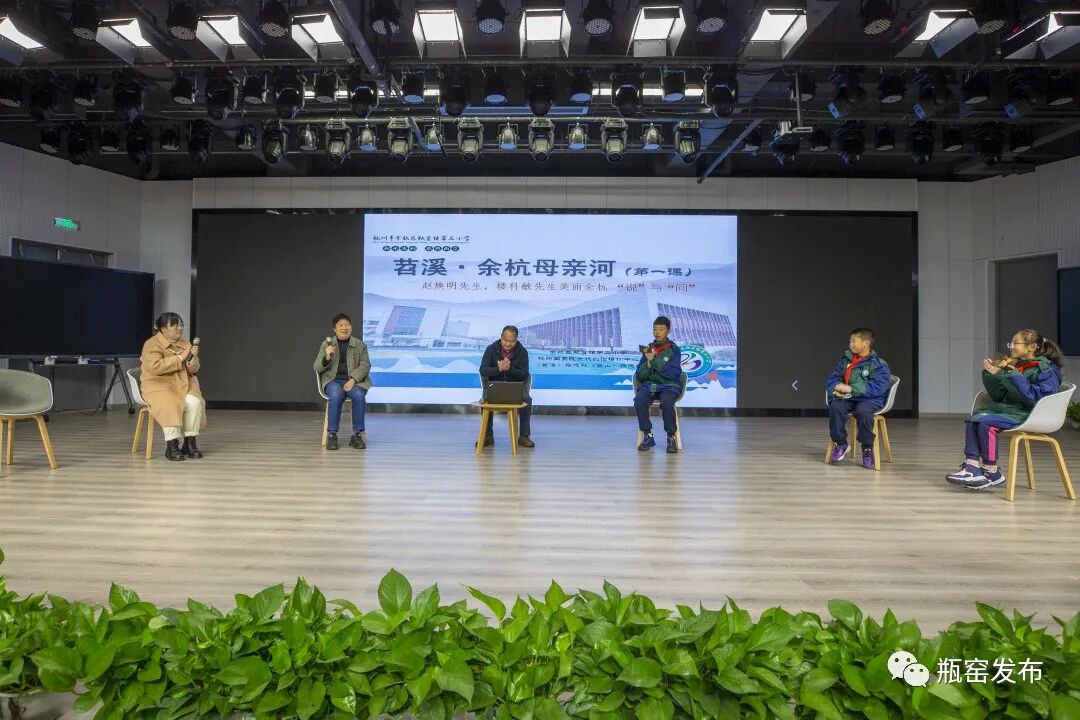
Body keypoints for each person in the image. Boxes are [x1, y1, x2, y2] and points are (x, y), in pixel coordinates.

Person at [946, 329, 1065, 490]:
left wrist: (1015, 376)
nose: (1011, 347)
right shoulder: (1017, 367)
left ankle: (990, 470)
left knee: (986, 423)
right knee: (975, 418)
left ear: (1031, 347)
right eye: (1011, 343)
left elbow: (1039, 398)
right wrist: (995, 376)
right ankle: (972, 466)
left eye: (1016, 343)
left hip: (1030, 413)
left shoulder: (1046, 369)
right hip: (1011, 410)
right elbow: (999, 396)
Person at [140, 312, 206, 462]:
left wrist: (192, 360)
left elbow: (193, 371)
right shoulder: (151, 344)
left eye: (181, 324)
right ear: (163, 329)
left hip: (182, 383)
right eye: (174, 325)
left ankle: (189, 443)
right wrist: (180, 357)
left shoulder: (186, 344)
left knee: (194, 402)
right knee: (170, 402)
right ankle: (172, 445)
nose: (179, 328)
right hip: (158, 384)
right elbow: (155, 367)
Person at [825, 328, 892, 469]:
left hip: (870, 399)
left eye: (853, 341)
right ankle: (840, 443)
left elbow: (878, 387)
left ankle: (867, 448)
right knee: (836, 406)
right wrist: (835, 389)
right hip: (850, 398)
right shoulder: (846, 359)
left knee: (863, 410)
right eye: (850, 341)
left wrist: (851, 388)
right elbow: (833, 378)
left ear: (866, 343)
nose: (850, 343)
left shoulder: (879, 364)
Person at [314, 313, 372, 451]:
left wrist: (353, 379)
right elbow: (317, 368)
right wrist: (327, 357)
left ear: (351, 327)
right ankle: (332, 434)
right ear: (334, 329)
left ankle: (357, 435)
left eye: (347, 325)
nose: (344, 328)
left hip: (354, 382)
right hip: (332, 381)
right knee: (336, 394)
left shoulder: (360, 345)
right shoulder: (326, 344)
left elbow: (365, 365)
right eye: (340, 325)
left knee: (359, 395)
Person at [478, 325, 534, 448]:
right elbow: (483, 370)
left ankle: (524, 436)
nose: (508, 344)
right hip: (494, 386)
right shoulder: (491, 349)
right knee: (486, 400)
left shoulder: (522, 352)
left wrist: (509, 369)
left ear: (516, 339)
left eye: (512, 341)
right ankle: (487, 436)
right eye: (505, 340)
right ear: (501, 337)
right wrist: (499, 369)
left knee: (527, 399)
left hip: (514, 387)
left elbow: (524, 374)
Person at [634, 316, 682, 454]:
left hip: (669, 386)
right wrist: (648, 363)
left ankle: (671, 437)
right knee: (639, 400)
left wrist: (654, 361)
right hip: (651, 385)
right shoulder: (647, 349)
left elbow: (673, 372)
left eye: (661, 329)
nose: (657, 332)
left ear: (668, 331)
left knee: (667, 402)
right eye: (655, 329)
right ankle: (648, 435)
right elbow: (641, 375)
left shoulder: (674, 350)